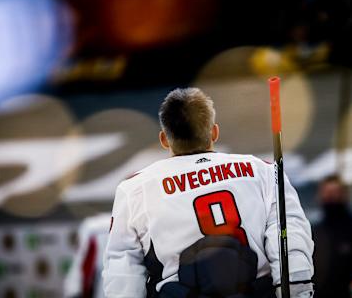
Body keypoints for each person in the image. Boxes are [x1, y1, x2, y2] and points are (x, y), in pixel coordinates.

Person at [102, 88, 314, 298]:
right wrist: (298, 290)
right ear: (214, 132)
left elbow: (123, 269)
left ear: (164, 139)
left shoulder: (135, 189)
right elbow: (290, 238)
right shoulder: (263, 170)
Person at [312, 175, 352, 298]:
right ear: (319, 196)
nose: (330, 197)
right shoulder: (314, 231)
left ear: (344, 195)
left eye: (335, 192)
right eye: (327, 192)